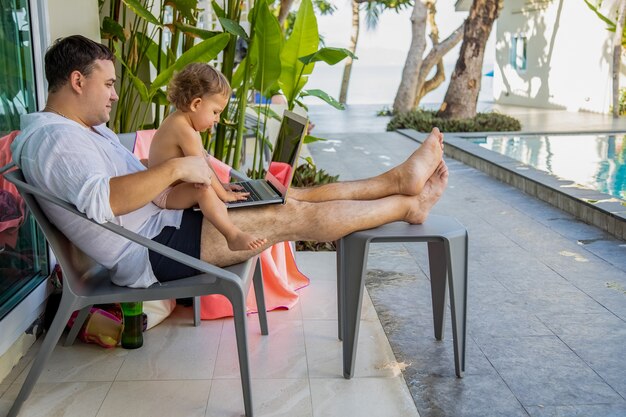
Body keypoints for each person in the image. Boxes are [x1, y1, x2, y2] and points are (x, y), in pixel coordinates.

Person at [10, 35, 448, 289]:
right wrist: (179, 169)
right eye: (107, 84)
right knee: (294, 213)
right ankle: (407, 204)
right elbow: (105, 200)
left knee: (286, 197)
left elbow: (128, 183)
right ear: (76, 80)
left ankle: (398, 179)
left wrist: (189, 183)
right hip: (155, 249)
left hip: (166, 225)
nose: (113, 94)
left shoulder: (81, 131)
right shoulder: (54, 140)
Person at [148, 63, 266, 251]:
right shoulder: (182, 128)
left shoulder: (184, 122)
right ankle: (232, 235)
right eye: (215, 112)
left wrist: (222, 186)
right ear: (196, 104)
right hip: (164, 194)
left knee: (207, 187)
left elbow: (204, 161)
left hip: (172, 187)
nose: (217, 119)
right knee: (203, 190)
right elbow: (203, 171)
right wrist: (224, 194)